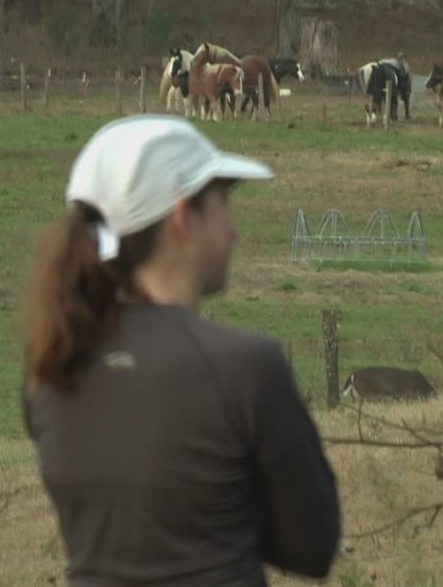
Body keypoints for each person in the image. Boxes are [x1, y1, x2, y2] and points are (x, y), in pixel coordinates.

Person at [21, 114, 341, 587]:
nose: (233, 231)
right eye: (222, 204)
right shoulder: (245, 368)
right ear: (182, 217)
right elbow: (313, 547)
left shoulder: (51, 366)